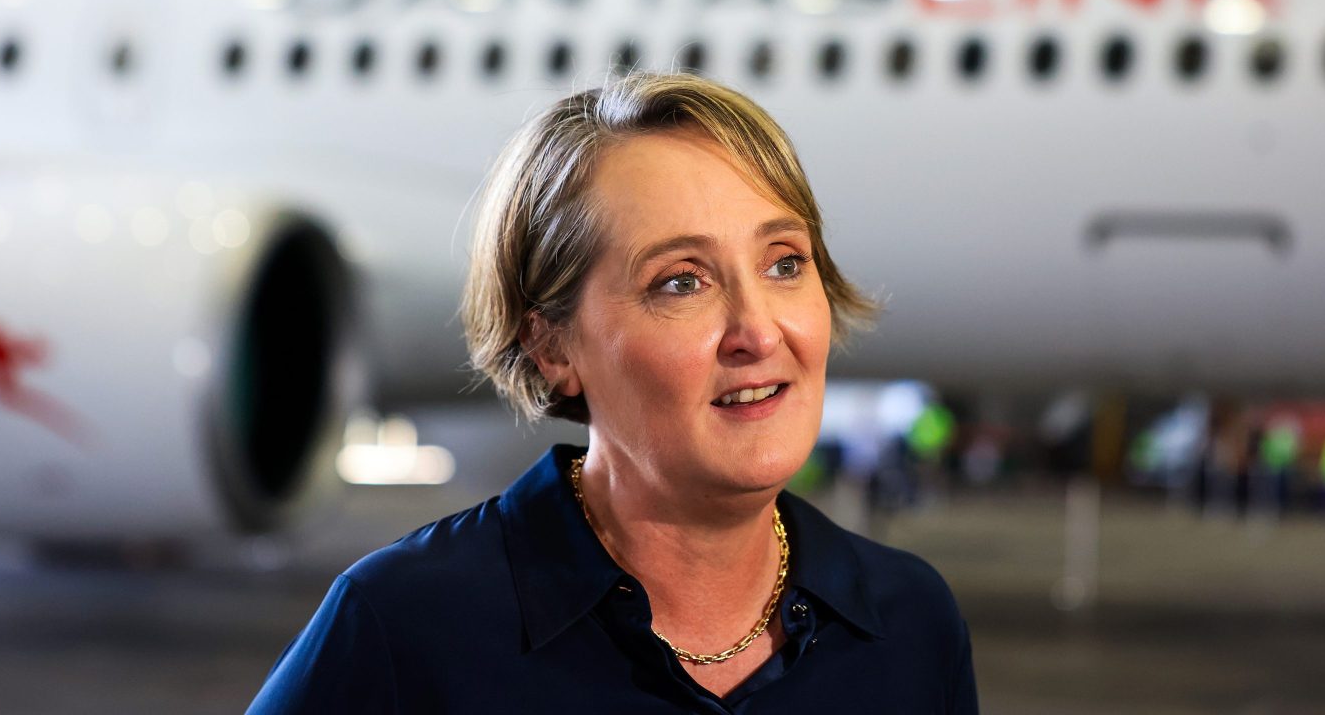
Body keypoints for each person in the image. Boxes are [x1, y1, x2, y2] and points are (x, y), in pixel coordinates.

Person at [246, 71, 979, 713]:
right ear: (552, 347)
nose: (757, 332)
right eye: (681, 282)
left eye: (784, 263)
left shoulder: (911, 625)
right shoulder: (404, 626)